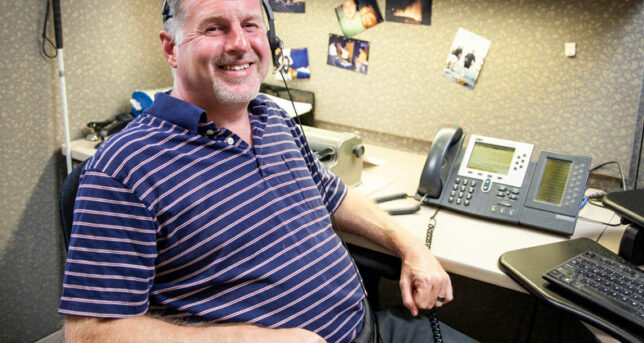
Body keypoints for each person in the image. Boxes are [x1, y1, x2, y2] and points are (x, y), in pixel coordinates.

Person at [59, 0, 476, 342]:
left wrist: (410, 246)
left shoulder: (271, 117)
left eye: (252, 26)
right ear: (170, 48)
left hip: (371, 329)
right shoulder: (124, 167)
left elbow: (335, 195)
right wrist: (250, 339)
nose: (240, 44)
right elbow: (89, 333)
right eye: (214, 28)